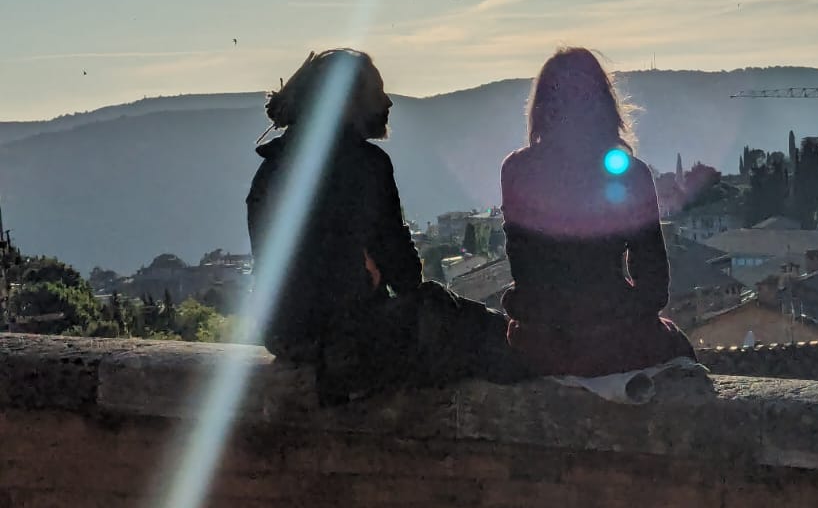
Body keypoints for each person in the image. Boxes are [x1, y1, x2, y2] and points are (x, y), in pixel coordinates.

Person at [247, 49, 527, 403]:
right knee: (454, 317)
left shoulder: (271, 167)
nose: (388, 102)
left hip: (284, 336)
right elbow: (406, 275)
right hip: (346, 340)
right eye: (377, 92)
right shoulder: (364, 165)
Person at [500, 47, 695, 377]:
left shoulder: (518, 169)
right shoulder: (630, 173)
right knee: (683, 358)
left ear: (543, 107)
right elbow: (654, 282)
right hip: (612, 340)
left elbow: (524, 267)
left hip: (540, 342)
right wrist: (618, 315)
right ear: (603, 104)